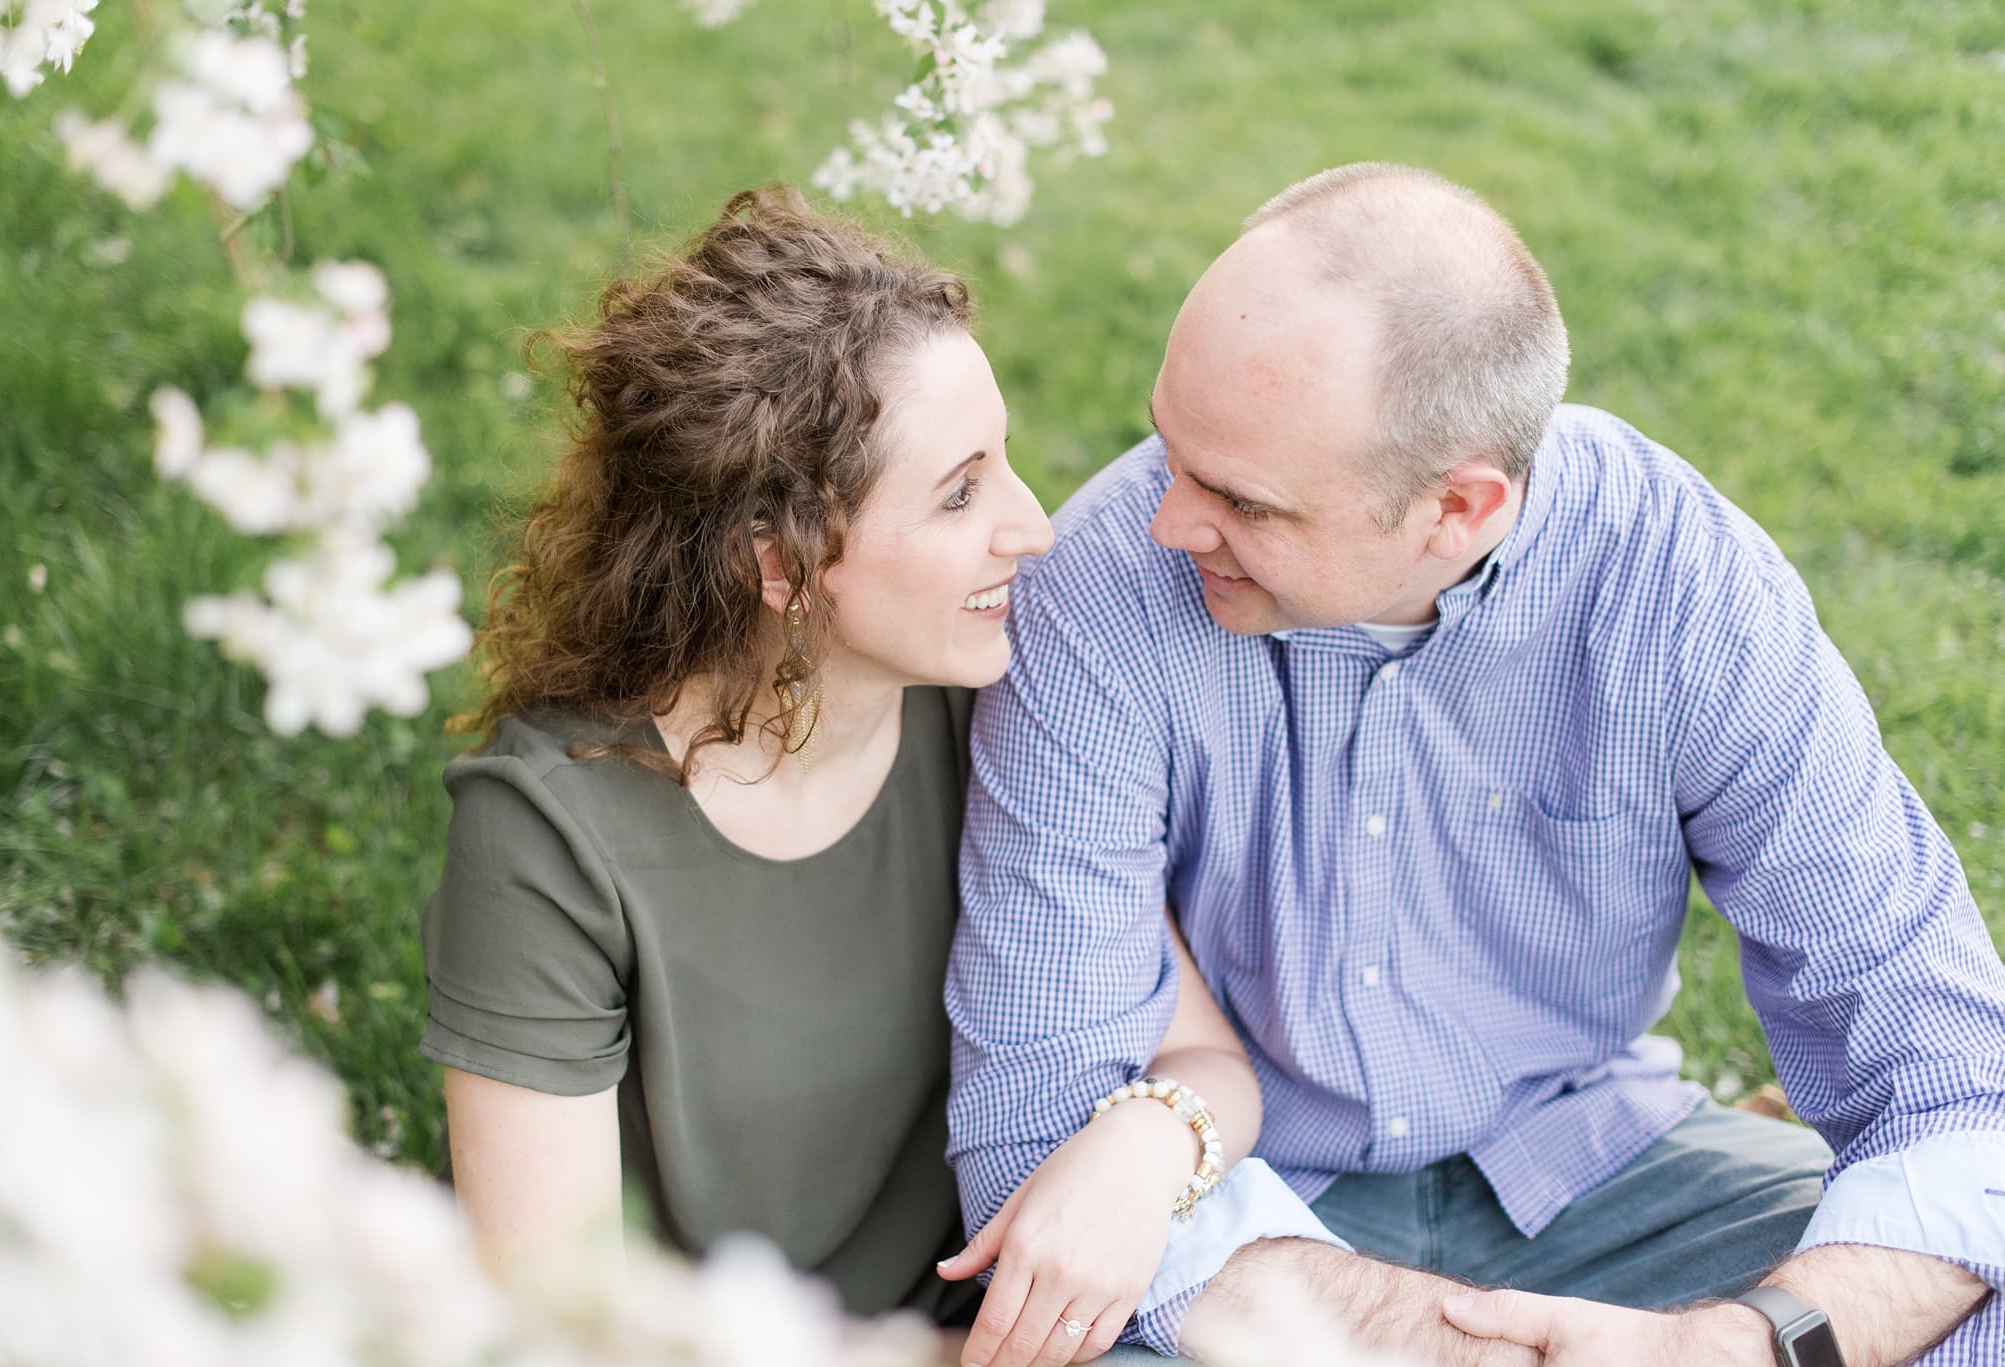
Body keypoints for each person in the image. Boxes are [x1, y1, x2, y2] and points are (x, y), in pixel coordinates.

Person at [947, 162, 2005, 1367]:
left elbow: (1957, 1080)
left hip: (1602, 1163)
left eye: (1239, 498)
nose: (1166, 520)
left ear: (1457, 507)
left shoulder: (1681, 585)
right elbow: (1030, 1121)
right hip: (1244, 1209)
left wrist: (1733, 1348)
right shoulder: (1096, 599)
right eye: (1169, 447)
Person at [414, 185, 1269, 1340]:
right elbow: (553, 1325)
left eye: (1001, 466)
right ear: (782, 562)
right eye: (960, 491)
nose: (1033, 526)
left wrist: (1140, 1142)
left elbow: (1204, 1058)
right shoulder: (553, 834)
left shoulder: (999, 710)